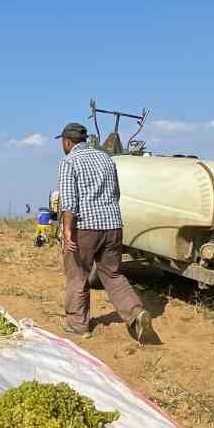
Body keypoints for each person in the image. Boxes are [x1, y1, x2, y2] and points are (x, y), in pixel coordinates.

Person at [55, 121, 156, 342]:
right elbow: (116, 193)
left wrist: (67, 232)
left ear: (67, 142)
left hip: (85, 228)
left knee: (78, 274)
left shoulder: (69, 161)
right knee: (112, 274)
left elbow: (69, 203)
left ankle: (77, 324)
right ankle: (135, 313)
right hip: (113, 226)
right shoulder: (106, 159)